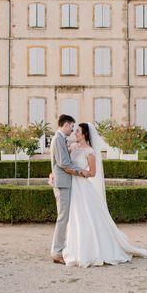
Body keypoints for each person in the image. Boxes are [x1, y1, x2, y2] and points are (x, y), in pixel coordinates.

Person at [59, 122, 147, 267]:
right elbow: (64, 163)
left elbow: (92, 173)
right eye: (75, 130)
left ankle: (90, 250)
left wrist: (80, 172)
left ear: (85, 134)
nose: (75, 133)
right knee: (75, 216)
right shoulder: (73, 147)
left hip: (82, 186)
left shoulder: (89, 151)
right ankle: (75, 247)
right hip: (73, 186)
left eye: (78, 131)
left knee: (86, 217)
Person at [49, 114, 91, 265]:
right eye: (72, 126)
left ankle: (62, 248)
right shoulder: (58, 139)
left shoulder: (60, 139)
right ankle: (57, 252)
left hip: (63, 182)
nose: (72, 130)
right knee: (62, 218)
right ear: (66, 124)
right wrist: (81, 171)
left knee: (65, 218)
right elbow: (64, 163)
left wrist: (52, 172)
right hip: (62, 183)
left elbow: (56, 162)